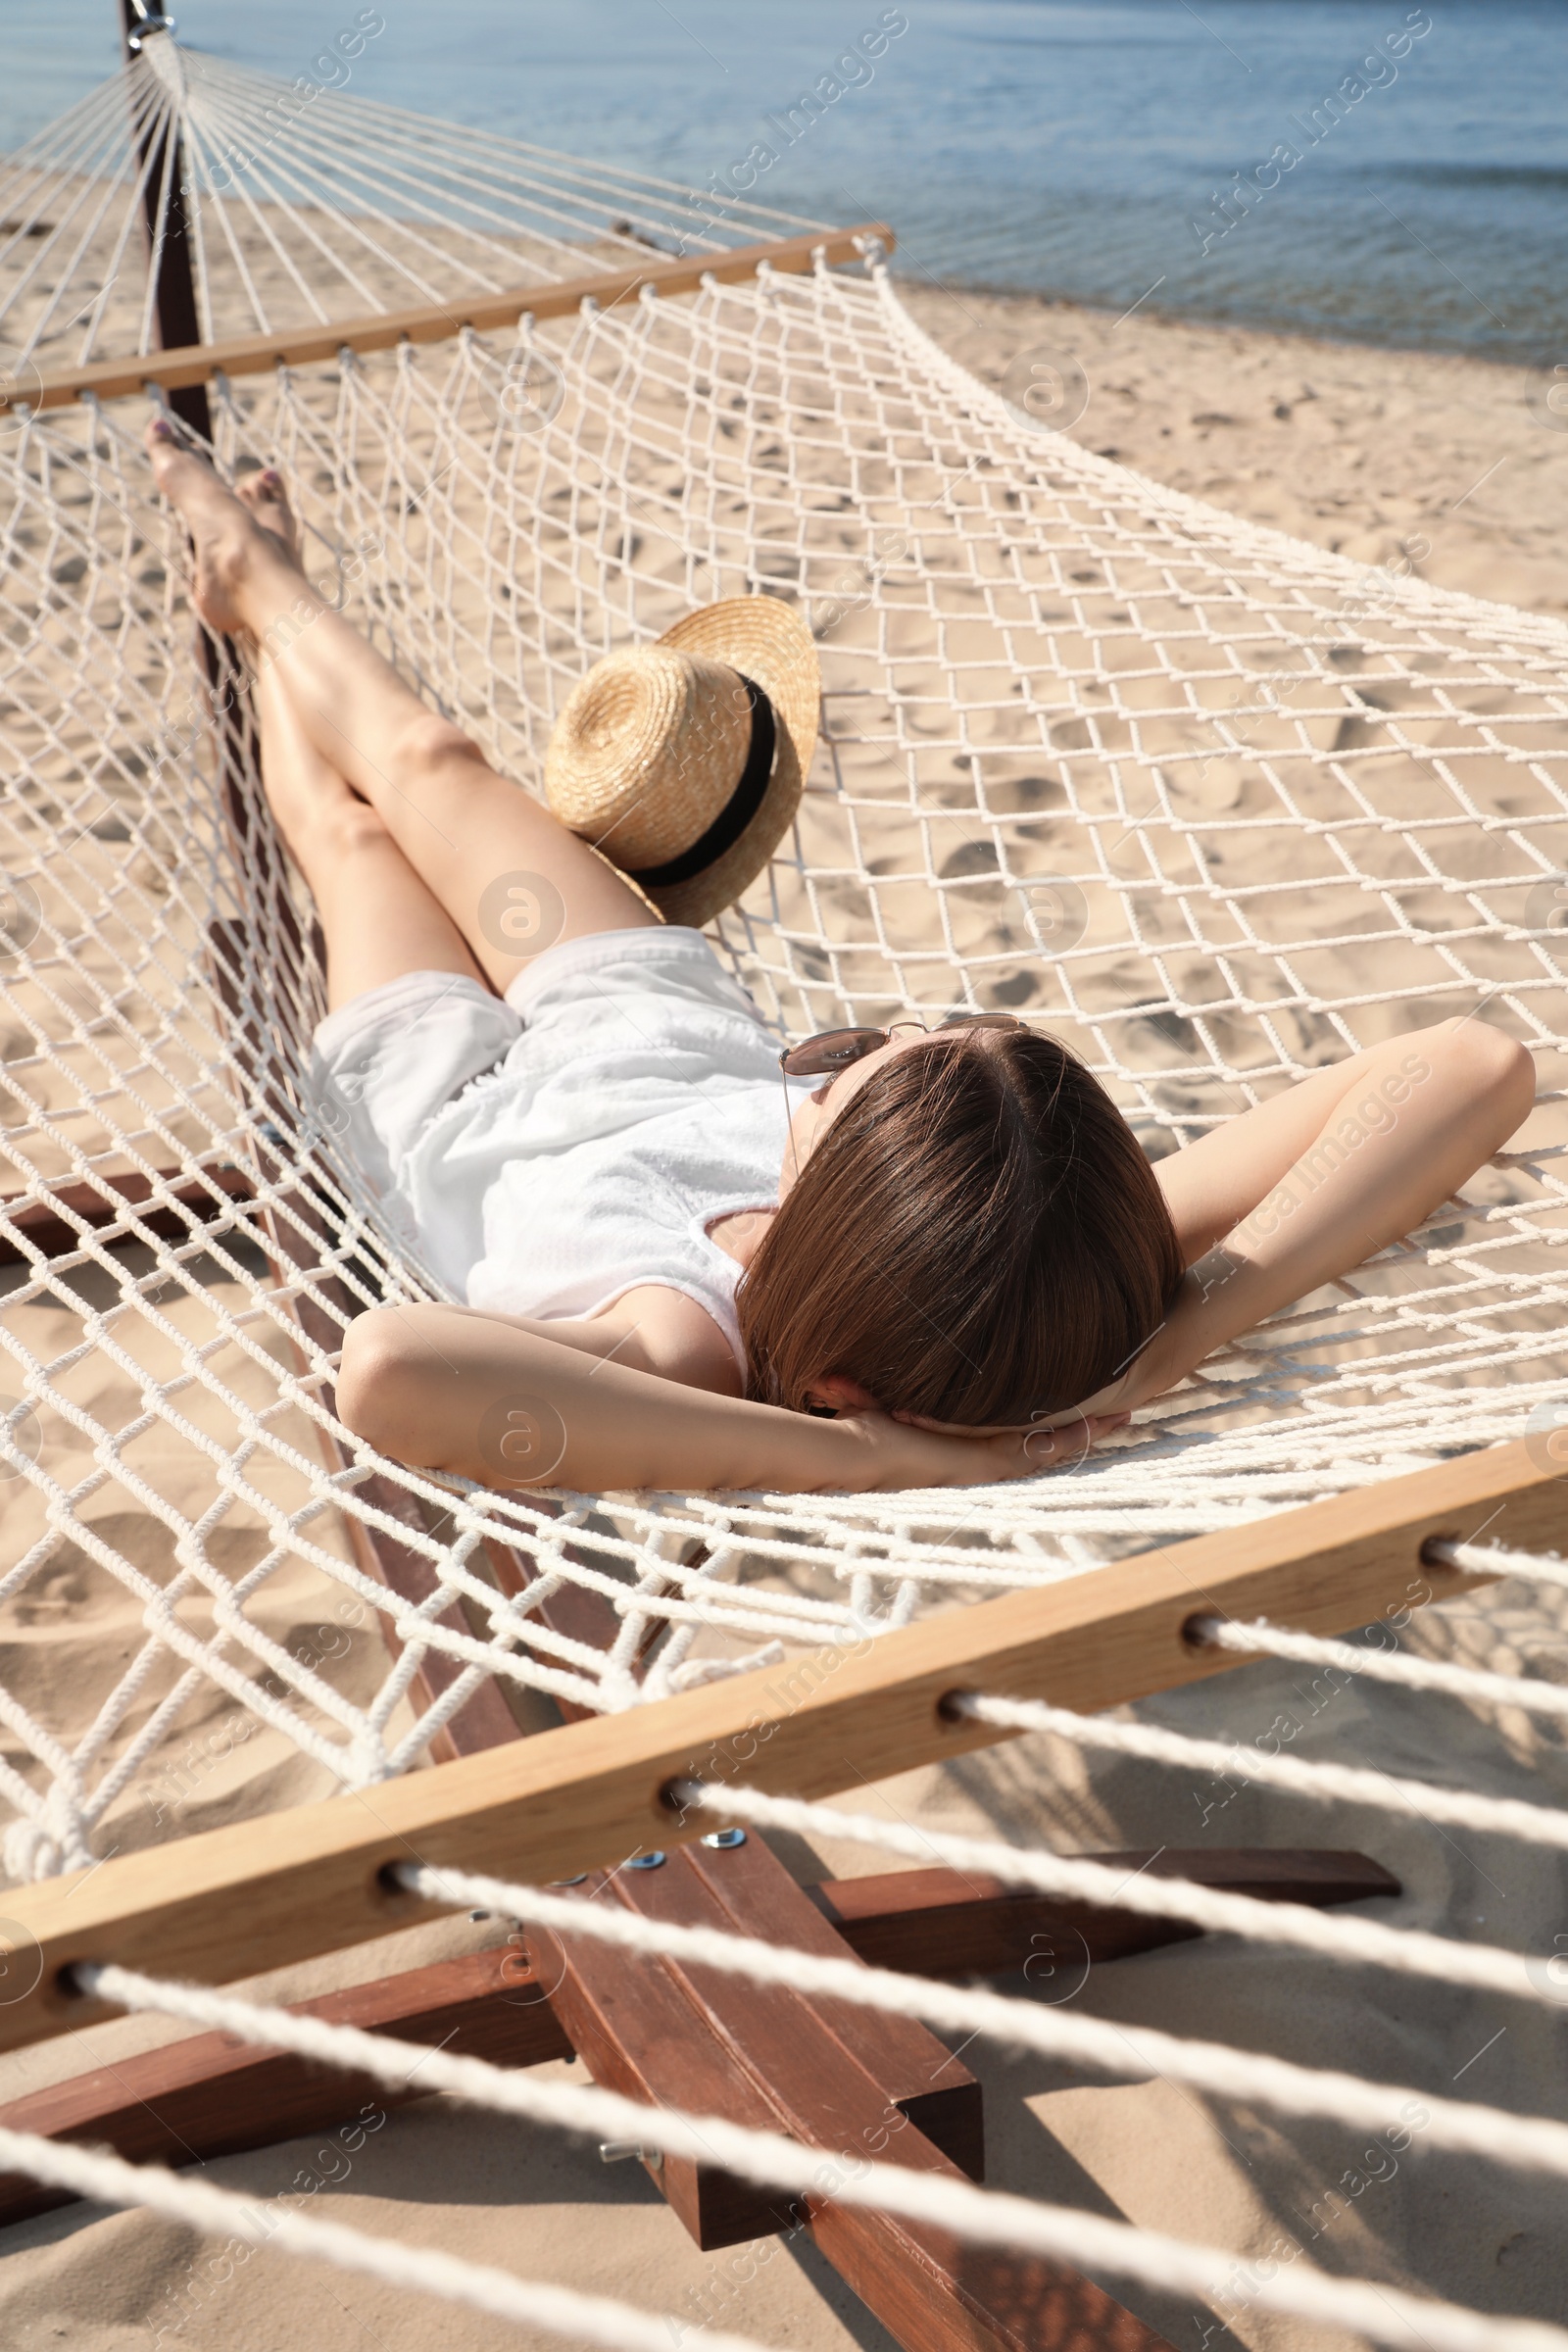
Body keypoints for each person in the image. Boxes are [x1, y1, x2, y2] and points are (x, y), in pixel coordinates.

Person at [144, 419, 1536, 1496]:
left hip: (445, 1090)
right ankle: (264, 584)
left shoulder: (686, 1346)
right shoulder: (1060, 1258)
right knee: (431, 761)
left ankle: (259, 606)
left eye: (844, 1081)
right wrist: (1191, 1328)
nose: (845, 1052)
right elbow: (1475, 1065)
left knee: (347, 837)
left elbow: (385, 1373)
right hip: (633, 1020)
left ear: (858, 1201)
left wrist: (864, 1463)